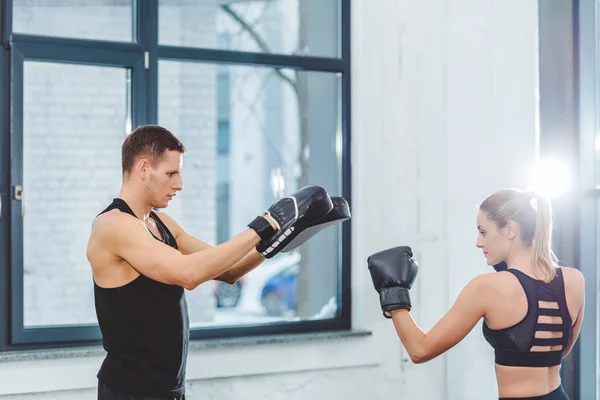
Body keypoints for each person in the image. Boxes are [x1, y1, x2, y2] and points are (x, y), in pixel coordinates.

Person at [86, 125, 334, 400]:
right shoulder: (113, 226)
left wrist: (280, 238)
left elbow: (228, 271)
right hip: (129, 391)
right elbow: (188, 274)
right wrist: (264, 224)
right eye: (171, 173)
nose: (179, 184)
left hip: (168, 389)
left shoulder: (161, 223)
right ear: (143, 168)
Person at [367, 188, 586, 400]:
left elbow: (420, 350)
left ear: (511, 229)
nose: (478, 242)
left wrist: (394, 294)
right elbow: (557, 351)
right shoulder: (574, 280)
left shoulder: (487, 287)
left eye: (483, 232)